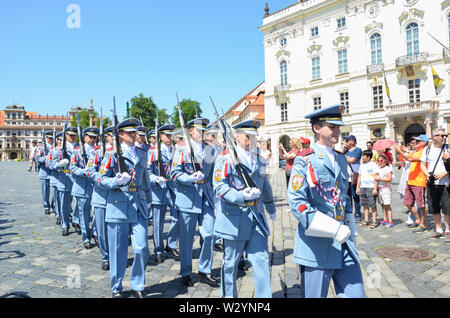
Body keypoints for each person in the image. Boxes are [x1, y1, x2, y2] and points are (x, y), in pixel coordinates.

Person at [287, 104, 364, 298]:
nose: (338, 131)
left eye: (338, 127)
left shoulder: (340, 158)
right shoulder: (305, 160)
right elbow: (297, 202)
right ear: (316, 128)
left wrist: (350, 224)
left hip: (344, 242)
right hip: (317, 245)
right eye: (332, 127)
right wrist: (333, 228)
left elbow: (343, 195)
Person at [213, 119, 276, 298]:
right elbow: (219, 187)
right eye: (247, 136)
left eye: (254, 136)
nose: (251, 139)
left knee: (262, 260)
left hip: (256, 216)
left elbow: (265, 186)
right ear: (237, 136)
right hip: (234, 217)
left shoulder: (259, 160)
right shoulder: (225, 158)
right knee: (231, 264)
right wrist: (240, 195)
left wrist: (271, 208)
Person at [99, 118, 151, 298]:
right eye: (129, 132)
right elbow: (101, 179)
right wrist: (116, 181)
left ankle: (137, 284)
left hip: (138, 205)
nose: (132, 135)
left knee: (142, 247)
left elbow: (145, 180)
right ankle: (116, 287)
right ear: (120, 135)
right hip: (118, 206)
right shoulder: (112, 154)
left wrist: (149, 200)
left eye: (134, 132)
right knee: (118, 251)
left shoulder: (142, 153)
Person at [171, 118, 219, 288]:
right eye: (199, 130)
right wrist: (190, 178)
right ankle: (185, 272)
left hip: (206, 196)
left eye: (204, 131)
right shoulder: (182, 149)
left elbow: (214, 174)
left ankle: (205, 269)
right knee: (186, 238)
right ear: (191, 131)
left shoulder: (210, 149)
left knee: (209, 233)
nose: (202, 133)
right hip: (188, 197)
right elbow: (175, 173)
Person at [147, 124, 180, 264]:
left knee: (177, 218)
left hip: (173, 189)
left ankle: (171, 244)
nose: (170, 138)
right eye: (167, 135)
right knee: (158, 223)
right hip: (158, 190)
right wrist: (155, 179)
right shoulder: (153, 152)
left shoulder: (176, 150)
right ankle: (158, 250)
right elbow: (147, 172)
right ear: (160, 136)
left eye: (171, 135)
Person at [86, 126, 114, 271]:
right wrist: (101, 180)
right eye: (111, 136)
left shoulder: (123, 152)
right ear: (106, 137)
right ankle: (106, 256)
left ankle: (116, 255)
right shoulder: (97, 151)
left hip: (119, 198)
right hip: (101, 196)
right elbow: (89, 171)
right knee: (102, 232)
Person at [70, 127, 99, 249]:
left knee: (98, 213)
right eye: (89, 137)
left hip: (97, 187)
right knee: (84, 215)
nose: (92, 139)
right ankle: (86, 237)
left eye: (94, 137)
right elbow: (73, 167)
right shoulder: (77, 151)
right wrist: (83, 171)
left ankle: (96, 233)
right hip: (82, 187)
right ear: (85, 137)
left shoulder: (100, 151)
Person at [394, 135, 429, 233]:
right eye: (415, 140)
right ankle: (417, 220)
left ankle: (423, 224)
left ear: (424, 143)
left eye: (418, 141)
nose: (415, 142)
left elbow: (410, 159)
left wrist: (400, 150)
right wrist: (400, 151)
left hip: (419, 181)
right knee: (407, 202)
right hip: (410, 180)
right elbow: (404, 159)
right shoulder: (416, 151)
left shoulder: (424, 152)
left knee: (421, 205)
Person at [420, 129, 450, 239]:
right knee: (434, 206)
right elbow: (422, 164)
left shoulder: (448, 148)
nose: (443, 137)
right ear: (434, 137)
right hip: (432, 182)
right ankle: (438, 229)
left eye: (445, 135)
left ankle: (448, 229)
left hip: (446, 183)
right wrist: (427, 174)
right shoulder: (427, 149)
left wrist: (445, 172)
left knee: (447, 207)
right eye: (440, 135)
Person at [356, 150, 379, 228]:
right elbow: (359, 176)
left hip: (371, 187)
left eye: (364, 156)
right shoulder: (362, 165)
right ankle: (366, 220)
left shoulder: (373, 165)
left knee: (372, 204)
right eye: (362, 156)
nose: (362, 157)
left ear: (368, 157)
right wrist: (358, 187)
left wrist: (375, 189)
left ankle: (374, 221)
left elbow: (376, 177)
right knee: (365, 205)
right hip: (363, 187)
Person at [344, 135, 363, 222]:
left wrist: (344, 157)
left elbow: (352, 160)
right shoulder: (346, 151)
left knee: (355, 196)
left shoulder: (357, 150)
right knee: (348, 196)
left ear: (352, 141)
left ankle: (358, 213)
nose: (346, 142)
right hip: (346, 176)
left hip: (354, 175)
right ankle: (350, 213)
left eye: (347, 140)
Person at [35, 131, 54, 215]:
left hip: (54, 172)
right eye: (49, 138)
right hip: (45, 172)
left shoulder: (55, 147)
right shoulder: (41, 147)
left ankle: (53, 204)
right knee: (45, 192)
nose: (51, 139)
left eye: (52, 138)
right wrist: (45, 158)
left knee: (56, 192)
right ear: (46, 138)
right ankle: (46, 206)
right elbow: (37, 158)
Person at [375, 155, 394, 227]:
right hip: (380, 189)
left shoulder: (388, 169)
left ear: (385, 161)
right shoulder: (378, 168)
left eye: (381, 161)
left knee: (387, 205)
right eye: (378, 161)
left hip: (386, 189)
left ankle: (390, 221)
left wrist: (380, 178)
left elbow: (389, 179)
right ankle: (385, 219)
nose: (380, 162)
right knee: (382, 205)